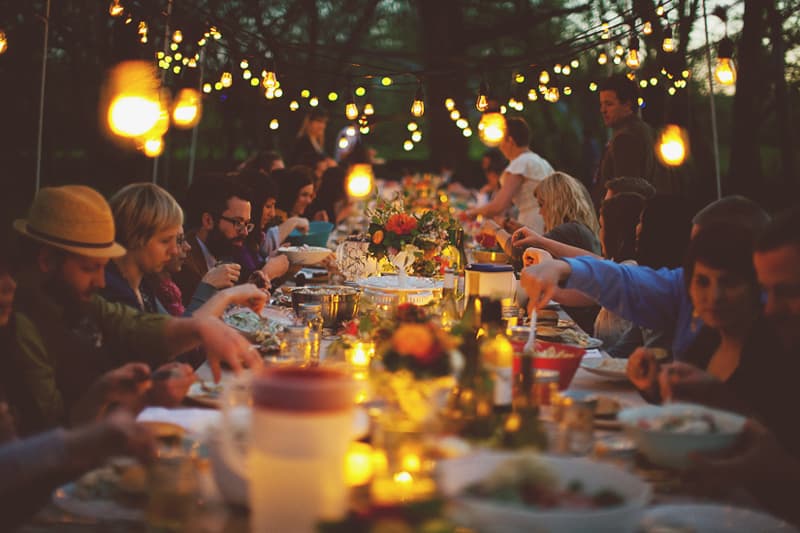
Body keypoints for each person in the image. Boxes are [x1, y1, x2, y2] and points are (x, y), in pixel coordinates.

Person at [10, 185, 260, 431]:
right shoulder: (21, 328)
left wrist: (199, 327)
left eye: (103, 266)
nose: (101, 281)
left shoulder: (70, 299)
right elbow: (53, 434)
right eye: (89, 268)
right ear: (46, 260)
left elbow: (132, 325)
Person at [519, 196, 770, 361]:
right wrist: (564, 268)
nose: (714, 293)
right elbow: (626, 281)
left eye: (729, 281)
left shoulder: (775, 336)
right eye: (695, 250)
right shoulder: (685, 287)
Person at [104, 183, 269, 319]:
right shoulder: (116, 293)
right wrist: (224, 295)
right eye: (165, 240)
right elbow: (173, 341)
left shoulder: (142, 287)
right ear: (135, 238)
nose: (175, 250)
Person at [175, 176, 289, 306]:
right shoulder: (185, 262)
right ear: (208, 221)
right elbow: (201, 316)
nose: (245, 232)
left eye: (247, 224)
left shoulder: (220, 251)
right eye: (237, 222)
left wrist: (250, 287)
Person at [466, 117, 554, 233]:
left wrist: (471, 212)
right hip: (548, 221)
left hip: (532, 222)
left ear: (510, 141)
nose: (500, 146)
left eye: (502, 141)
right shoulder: (541, 162)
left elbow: (498, 206)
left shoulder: (521, 163)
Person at [592, 75, 658, 206]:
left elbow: (625, 193)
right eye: (601, 104)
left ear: (628, 105)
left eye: (609, 104)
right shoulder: (645, 130)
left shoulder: (626, 138)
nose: (603, 110)